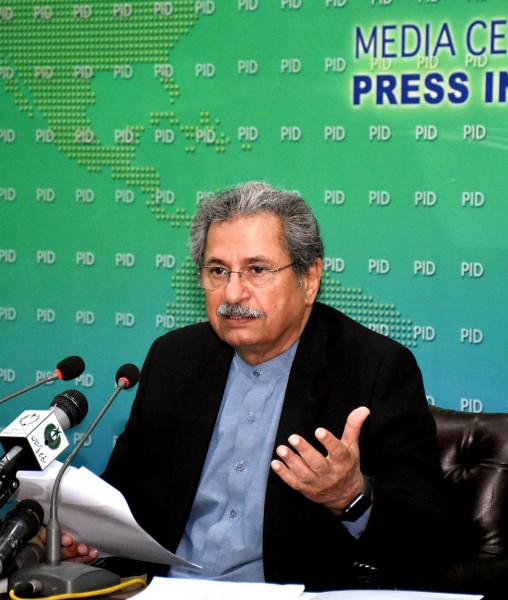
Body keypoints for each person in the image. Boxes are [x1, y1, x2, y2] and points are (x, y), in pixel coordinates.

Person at [64, 181, 448, 590]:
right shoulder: (174, 358)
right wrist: (89, 537)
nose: (232, 292)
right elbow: (126, 495)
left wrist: (351, 495)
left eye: (257, 270)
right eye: (218, 271)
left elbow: (429, 536)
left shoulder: (374, 368)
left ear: (310, 277)